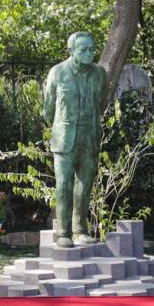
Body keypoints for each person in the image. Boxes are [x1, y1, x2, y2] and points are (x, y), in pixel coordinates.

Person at [43, 31, 107, 248]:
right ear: (71, 51)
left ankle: (80, 230)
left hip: (90, 137)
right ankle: (63, 233)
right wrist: (62, 127)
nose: (89, 54)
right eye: (83, 50)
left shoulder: (100, 74)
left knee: (85, 186)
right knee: (63, 185)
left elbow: (101, 103)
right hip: (64, 139)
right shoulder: (58, 72)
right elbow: (48, 109)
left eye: (91, 49)